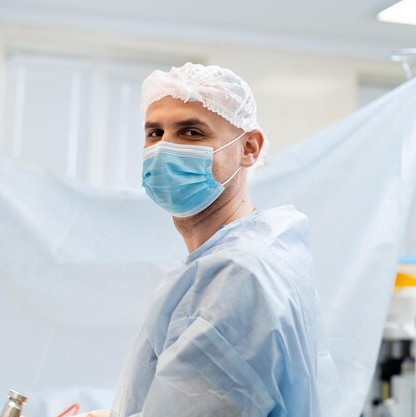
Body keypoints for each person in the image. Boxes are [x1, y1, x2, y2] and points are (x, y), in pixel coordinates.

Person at [81, 63, 340, 417]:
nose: (164, 149)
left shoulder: (238, 273)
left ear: (249, 147)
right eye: (155, 133)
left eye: (191, 133)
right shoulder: (238, 257)